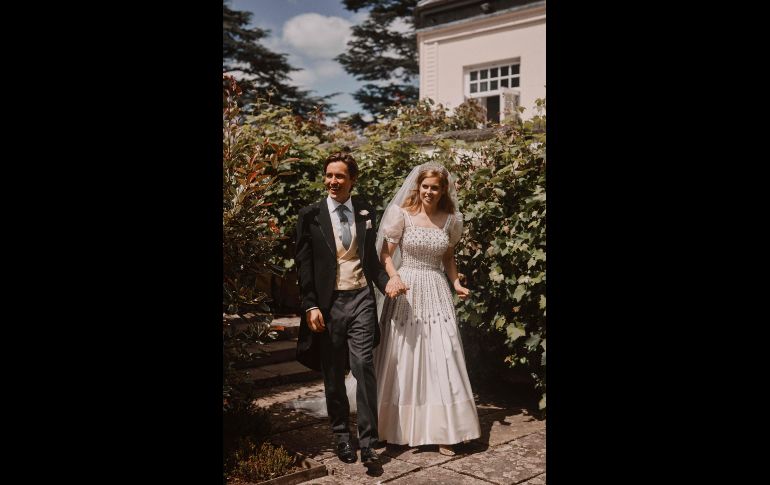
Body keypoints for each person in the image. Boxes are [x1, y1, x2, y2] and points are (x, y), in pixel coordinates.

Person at [294, 152, 399, 466]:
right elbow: (304, 266)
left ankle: (367, 443)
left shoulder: (366, 210)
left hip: (361, 299)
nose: (332, 182)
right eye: (328, 175)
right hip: (328, 306)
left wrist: (388, 283)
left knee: (364, 367)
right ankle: (342, 436)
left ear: (352, 180)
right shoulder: (310, 215)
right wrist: (311, 304)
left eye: (340, 176)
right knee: (333, 374)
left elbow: (369, 261)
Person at [374, 162, 481, 456]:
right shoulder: (402, 216)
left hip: (436, 288)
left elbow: (448, 257)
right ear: (417, 187)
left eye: (435, 187)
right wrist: (394, 276)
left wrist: (456, 283)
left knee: (442, 355)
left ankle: (446, 431)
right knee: (404, 356)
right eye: (425, 186)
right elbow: (385, 255)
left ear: (443, 189)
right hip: (407, 288)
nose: (429, 192)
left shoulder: (451, 220)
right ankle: (393, 428)